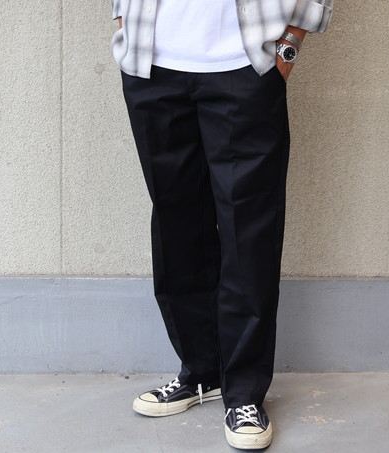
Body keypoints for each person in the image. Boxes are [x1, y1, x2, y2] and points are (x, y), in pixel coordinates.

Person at [110, 0, 333, 449]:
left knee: (248, 231)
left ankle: (244, 393)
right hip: (151, 66)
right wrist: (121, 19)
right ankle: (200, 372)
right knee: (177, 225)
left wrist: (288, 47)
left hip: (244, 67)